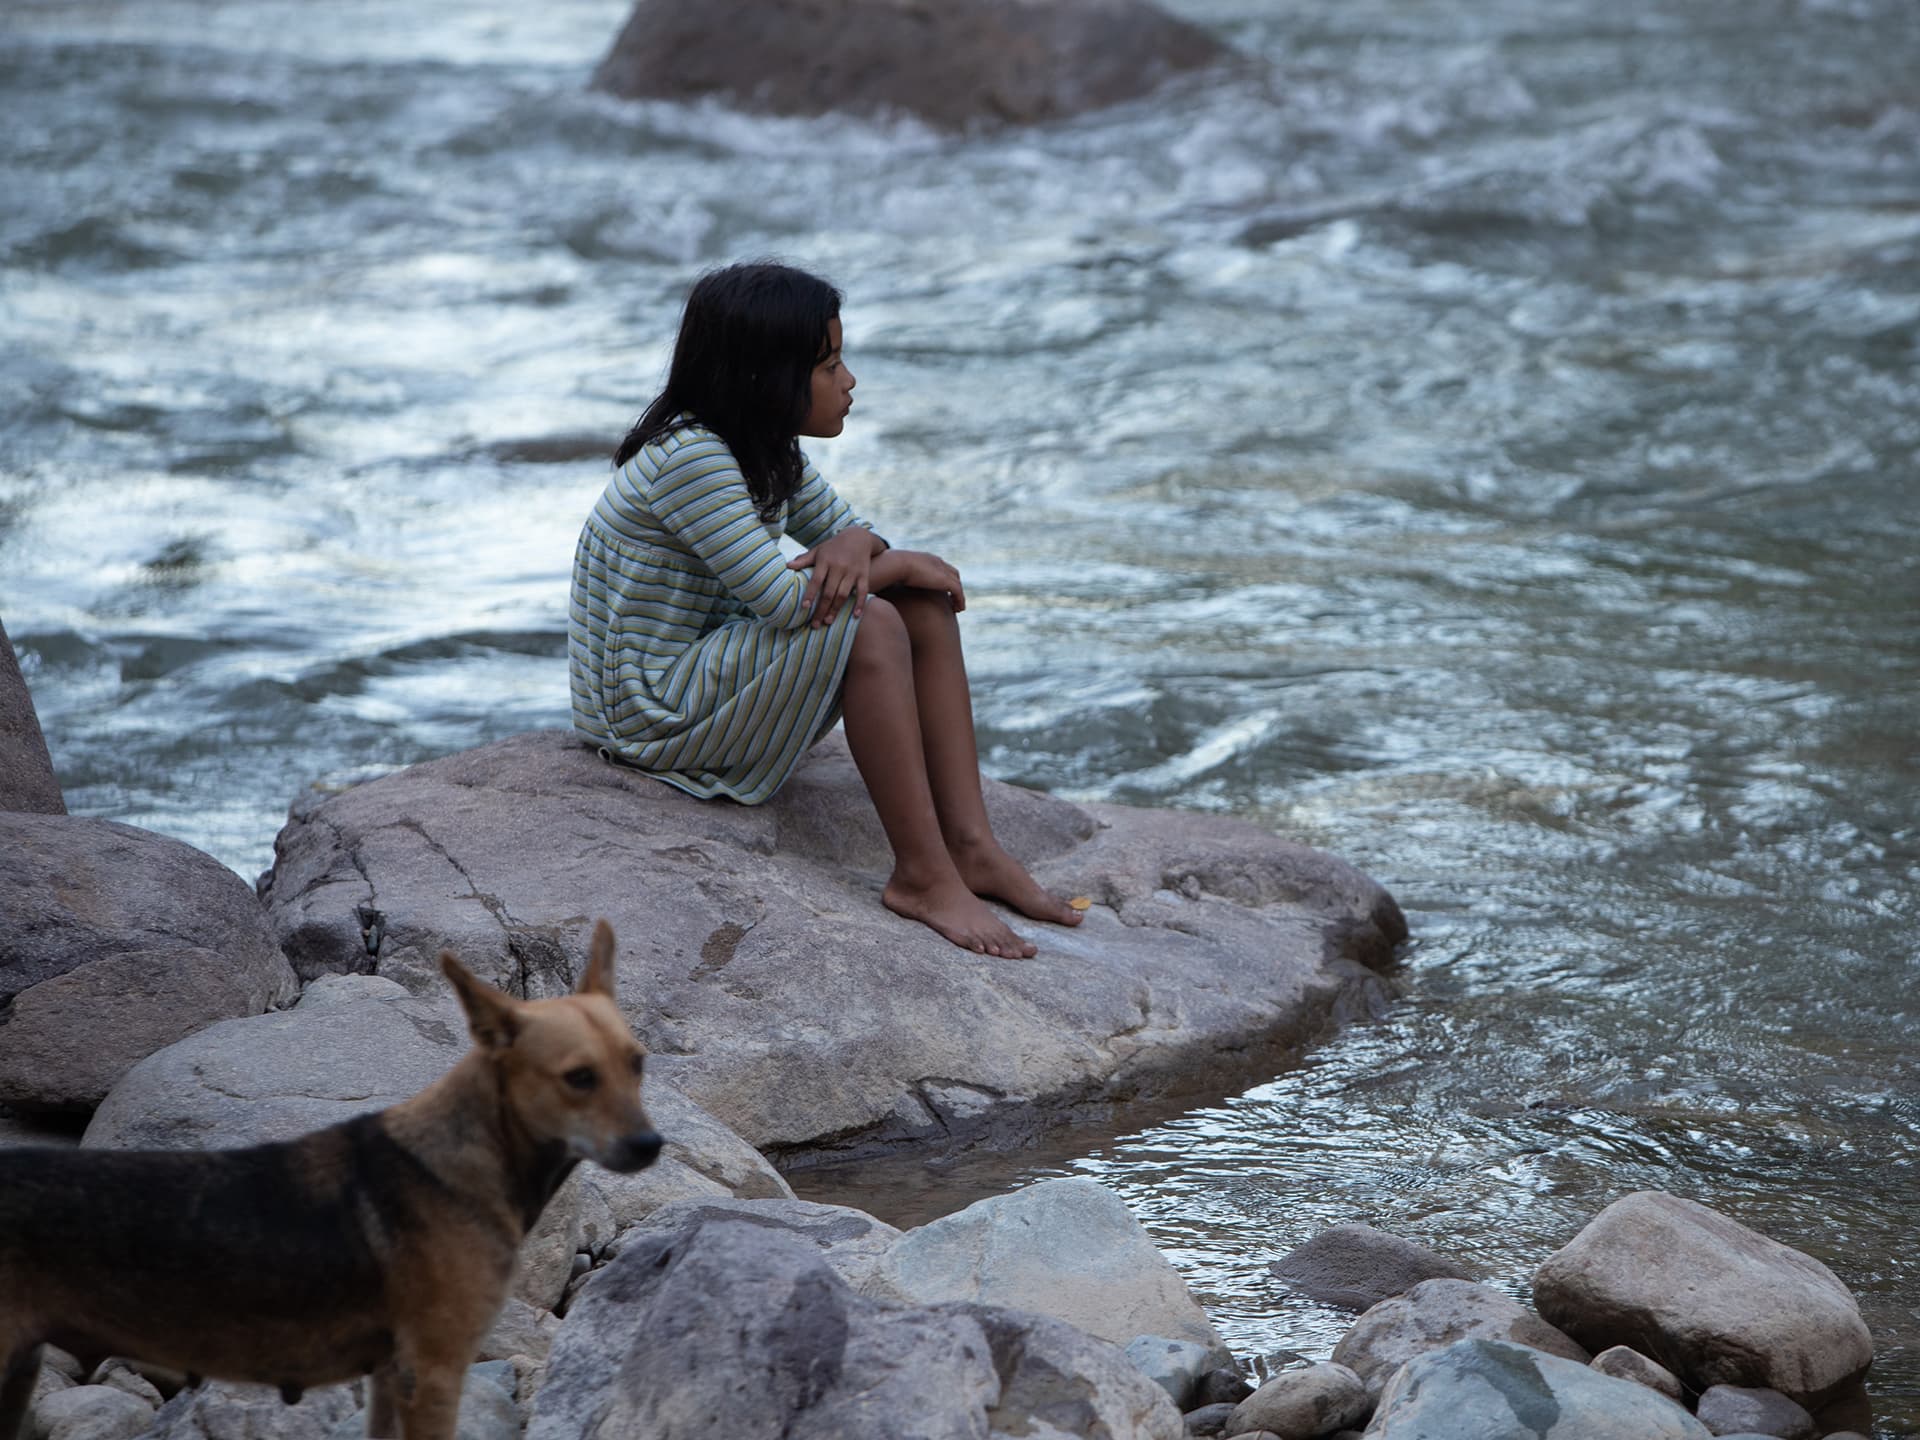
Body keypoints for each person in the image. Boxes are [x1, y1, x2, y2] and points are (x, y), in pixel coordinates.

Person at [568, 261, 1082, 958]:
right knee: (869, 619)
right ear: (764, 378)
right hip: (646, 707)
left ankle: (970, 845)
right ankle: (922, 877)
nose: (850, 381)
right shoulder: (692, 459)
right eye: (829, 364)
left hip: (705, 671)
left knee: (919, 604)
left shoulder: (768, 451)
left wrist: (864, 545)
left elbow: (857, 542)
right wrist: (882, 558)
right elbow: (789, 603)